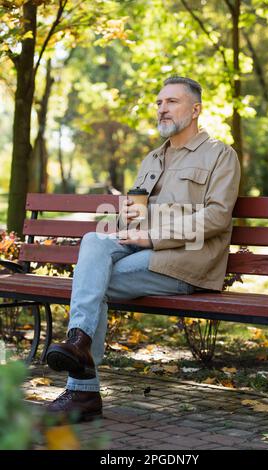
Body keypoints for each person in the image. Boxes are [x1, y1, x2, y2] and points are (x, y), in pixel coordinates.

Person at [46, 76, 241, 421]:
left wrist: (151, 237)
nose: (162, 108)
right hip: (144, 256)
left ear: (196, 109)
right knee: (94, 241)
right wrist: (123, 226)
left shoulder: (220, 156)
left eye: (172, 102)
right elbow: (134, 217)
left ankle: (82, 389)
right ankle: (78, 346)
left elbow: (217, 217)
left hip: (187, 262)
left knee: (92, 282)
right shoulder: (152, 159)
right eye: (159, 102)